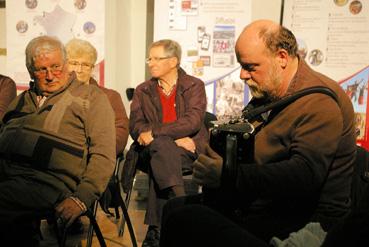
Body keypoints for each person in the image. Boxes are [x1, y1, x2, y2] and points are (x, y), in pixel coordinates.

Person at [160, 19, 356, 246]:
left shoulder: (319, 101)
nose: (242, 75)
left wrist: (227, 174)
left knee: (184, 219)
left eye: (250, 67)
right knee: (174, 208)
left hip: (306, 222)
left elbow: (305, 175)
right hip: (268, 206)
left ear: (281, 57)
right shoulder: (274, 92)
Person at [0, 36, 116, 246]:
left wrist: (81, 198)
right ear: (30, 72)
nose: (51, 75)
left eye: (56, 67)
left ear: (66, 64)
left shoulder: (91, 98)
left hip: (49, 181)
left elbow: (104, 155)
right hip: (8, 175)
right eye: (41, 69)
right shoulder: (22, 99)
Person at [127, 39, 208, 247]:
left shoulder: (194, 85)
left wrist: (155, 132)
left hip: (188, 150)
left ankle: (156, 231)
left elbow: (192, 121)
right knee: (162, 148)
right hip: (152, 150)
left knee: (162, 159)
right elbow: (136, 126)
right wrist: (170, 138)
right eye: (149, 58)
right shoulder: (142, 90)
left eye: (156, 59)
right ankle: (180, 204)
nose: (150, 63)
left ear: (173, 61)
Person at [65, 38, 129, 155]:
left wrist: (98, 154)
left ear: (92, 68)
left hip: (96, 159)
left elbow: (120, 133)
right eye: (74, 63)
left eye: (85, 65)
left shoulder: (110, 97)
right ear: (65, 65)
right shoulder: (56, 95)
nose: (79, 70)